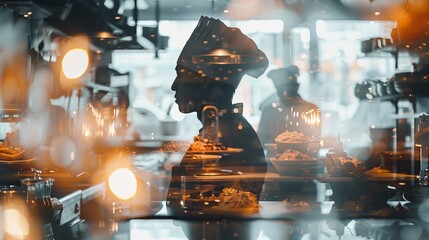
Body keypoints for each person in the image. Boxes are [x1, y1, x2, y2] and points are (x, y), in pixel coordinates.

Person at [166, 16, 269, 218]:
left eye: (182, 74)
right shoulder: (219, 131)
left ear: (207, 84)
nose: (174, 85)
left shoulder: (229, 137)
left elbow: (220, 214)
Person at [258, 65, 321, 145]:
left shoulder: (311, 110)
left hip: (305, 157)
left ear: (297, 87)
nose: (285, 93)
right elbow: (261, 141)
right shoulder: (269, 111)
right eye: (281, 89)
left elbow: (315, 142)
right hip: (274, 157)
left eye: (289, 89)